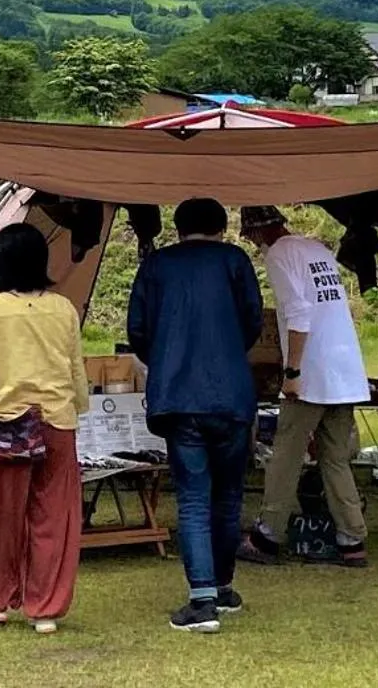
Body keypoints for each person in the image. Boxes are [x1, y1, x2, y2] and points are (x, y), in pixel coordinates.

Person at [127, 198, 265, 633]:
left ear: (178, 227)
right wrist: (228, 352)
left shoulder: (157, 265)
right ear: (222, 227)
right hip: (231, 394)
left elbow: (137, 329)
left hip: (178, 396)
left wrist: (165, 357)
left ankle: (202, 599)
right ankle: (222, 587)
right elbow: (253, 321)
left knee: (192, 497)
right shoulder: (235, 260)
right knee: (228, 495)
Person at [0, 221, 88, 635]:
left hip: (11, 423)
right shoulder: (63, 309)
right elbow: (75, 367)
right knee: (53, 514)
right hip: (57, 420)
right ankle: (44, 608)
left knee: (1, 515)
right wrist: (78, 407)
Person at [238, 205, 372, 569]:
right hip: (344, 370)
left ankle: (268, 535)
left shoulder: (280, 255)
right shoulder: (316, 248)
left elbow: (298, 313)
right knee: (335, 458)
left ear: (258, 233)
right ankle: (352, 539)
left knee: (286, 454)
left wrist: (292, 370)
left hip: (313, 370)